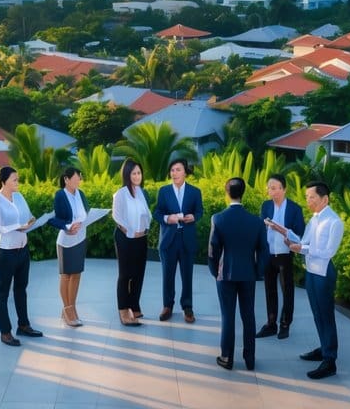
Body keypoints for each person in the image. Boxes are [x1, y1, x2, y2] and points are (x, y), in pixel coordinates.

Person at [208, 177, 268, 372]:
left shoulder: (218, 218)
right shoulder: (256, 222)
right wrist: (258, 272)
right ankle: (250, 359)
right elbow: (263, 250)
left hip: (225, 274)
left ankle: (227, 357)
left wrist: (214, 270)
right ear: (243, 193)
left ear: (227, 193)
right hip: (248, 274)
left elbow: (213, 250)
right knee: (248, 316)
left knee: (228, 316)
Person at [288, 180, 344, 380]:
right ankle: (324, 348)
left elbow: (328, 251)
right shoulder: (314, 219)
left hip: (324, 272)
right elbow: (304, 242)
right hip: (311, 271)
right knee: (317, 314)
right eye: (307, 197)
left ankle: (330, 361)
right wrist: (288, 236)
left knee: (326, 315)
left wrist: (301, 248)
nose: (308, 201)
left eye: (312, 197)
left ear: (325, 199)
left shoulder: (334, 222)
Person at [0, 166, 44, 347]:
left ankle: (24, 325)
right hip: (7, 252)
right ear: (4, 182)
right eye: (14, 180)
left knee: (21, 289)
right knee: (2, 293)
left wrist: (33, 220)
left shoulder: (19, 197)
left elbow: (28, 216)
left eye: (17, 179)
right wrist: (17, 227)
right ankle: (5, 332)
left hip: (22, 250)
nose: (17, 183)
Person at [154, 158, 203, 322]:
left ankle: (187, 307)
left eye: (178, 170)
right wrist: (169, 218)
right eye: (172, 170)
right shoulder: (164, 191)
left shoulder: (195, 192)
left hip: (187, 239)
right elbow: (157, 213)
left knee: (187, 275)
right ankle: (167, 306)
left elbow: (200, 211)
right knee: (167, 275)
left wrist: (193, 217)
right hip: (169, 240)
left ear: (185, 172)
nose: (174, 173)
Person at [259, 173, 306, 340]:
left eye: (275, 188)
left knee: (287, 290)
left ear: (284, 189)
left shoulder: (294, 209)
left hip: (285, 254)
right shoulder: (265, 206)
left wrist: (280, 229)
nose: (272, 191)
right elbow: (260, 229)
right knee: (269, 289)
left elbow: (300, 235)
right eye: (270, 188)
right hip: (268, 253)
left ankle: (285, 324)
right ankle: (271, 324)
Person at [112, 158, 151, 326]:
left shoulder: (142, 192)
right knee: (125, 275)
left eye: (139, 173)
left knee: (138, 274)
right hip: (125, 238)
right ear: (127, 174)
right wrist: (130, 232)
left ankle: (134, 305)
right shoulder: (120, 194)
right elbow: (117, 216)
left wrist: (144, 230)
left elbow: (146, 215)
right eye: (134, 173)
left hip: (141, 238)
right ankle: (123, 311)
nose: (137, 176)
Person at [50, 166, 90, 327]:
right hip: (66, 241)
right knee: (66, 275)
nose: (78, 180)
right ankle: (68, 309)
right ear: (66, 180)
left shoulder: (81, 194)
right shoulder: (60, 195)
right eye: (76, 177)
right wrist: (67, 226)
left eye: (80, 177)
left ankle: (70, 308)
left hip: (80, 239)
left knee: (77, 275)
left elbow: (86, 213)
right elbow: (54, 219)